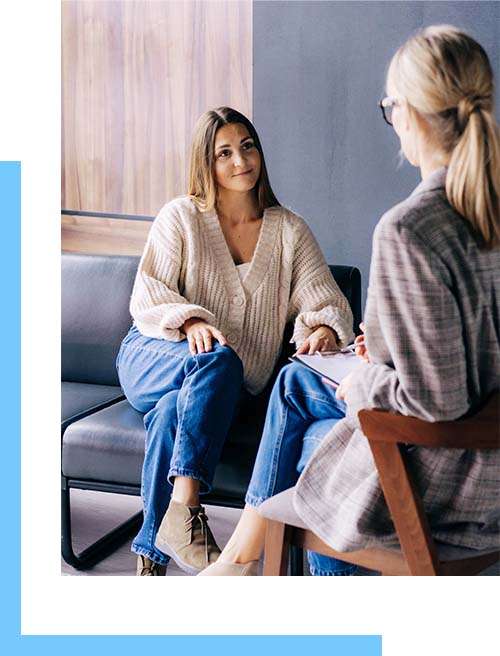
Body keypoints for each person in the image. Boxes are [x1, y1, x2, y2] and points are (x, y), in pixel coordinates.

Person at [199, 24, 500, 575]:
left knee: (320, 448)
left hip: (453, 477)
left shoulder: (412, 228)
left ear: (408, 114)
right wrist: (379, 349)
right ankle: (245, 549)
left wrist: (363, 379)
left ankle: (257, 565)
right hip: (488, 461)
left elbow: (439, 400)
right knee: (296, 380)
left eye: (389, 108)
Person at [115, 107, 354, 575]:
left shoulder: (289, 230)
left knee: (173, 412)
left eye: (247, 146)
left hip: (224, 384)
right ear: (206, 162)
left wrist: (322, 329)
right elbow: (148, 294)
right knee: (219, 360)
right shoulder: (181, 216)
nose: (240, 160)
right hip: (154, 353)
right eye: (224, 152)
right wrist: (189, 323)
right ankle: (185, 510)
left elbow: (323, 298)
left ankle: (150, 555)